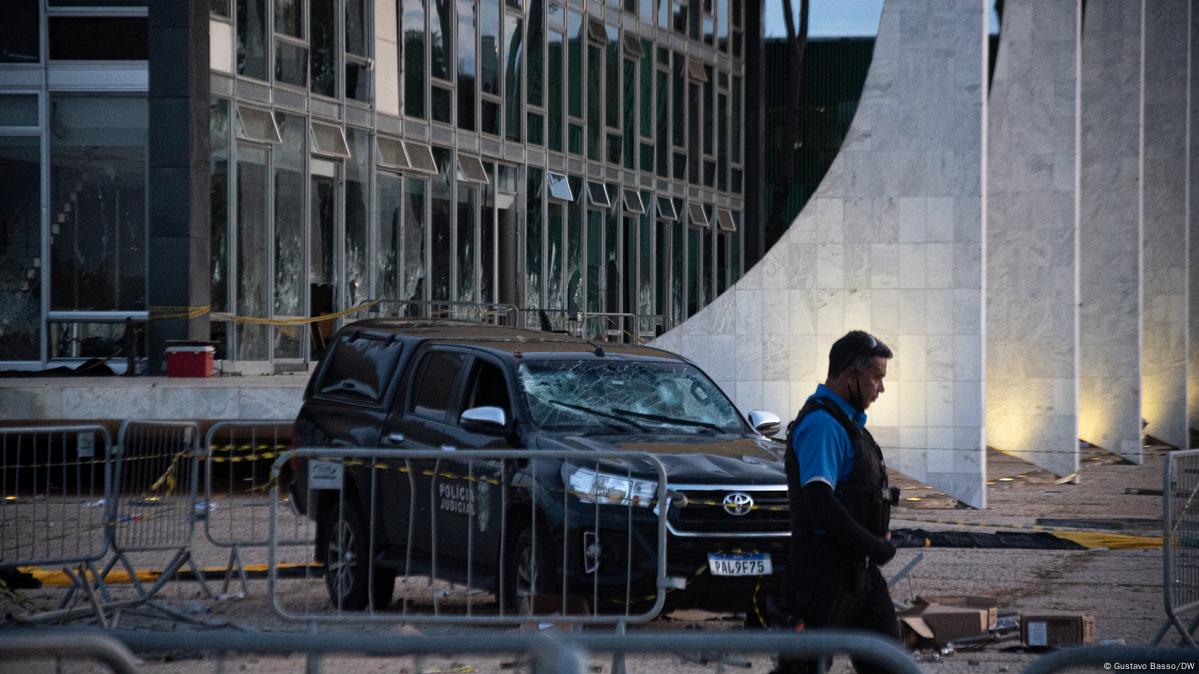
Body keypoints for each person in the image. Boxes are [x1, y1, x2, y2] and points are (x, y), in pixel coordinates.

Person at [773, 330, 901, 674]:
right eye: (877, 377)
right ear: (850, 375)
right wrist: (874, 545)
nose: (881, 388)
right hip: (821, 577)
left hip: (859, 575)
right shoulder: (822, 426)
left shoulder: (849, 425)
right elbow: (819, 501)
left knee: (891, 663)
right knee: (801, 670)